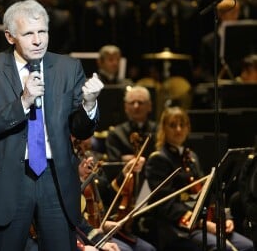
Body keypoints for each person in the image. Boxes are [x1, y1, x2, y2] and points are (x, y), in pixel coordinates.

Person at [0, 0, 104, 251]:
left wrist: (89, 104)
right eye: (29, 33)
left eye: (42, 32)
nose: (38, 40)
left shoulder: (68, 67)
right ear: (10, 37)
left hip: (56, 179)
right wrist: (23, 102)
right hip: (10, 179)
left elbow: (80, 129)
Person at [144, 106, 254, 251]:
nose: (178, 129)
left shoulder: (192, 157)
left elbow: (206, 194)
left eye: (182, 125)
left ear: (188, 128)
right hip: (178, 228)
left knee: (247, 246)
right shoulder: (158, 159)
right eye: (172, 125)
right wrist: (203, 224)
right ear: (163, 128)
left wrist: (224, 219)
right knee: (222, 248)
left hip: (203, 223)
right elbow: (167, 206)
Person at [105, 86, 157, 163]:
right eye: (132, 103)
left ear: (149, 106)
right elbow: (114, 162)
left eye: (140, 102)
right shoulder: (115, 134)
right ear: (126, 107)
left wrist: (126, 159)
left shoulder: (159, 131)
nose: (136, 106)